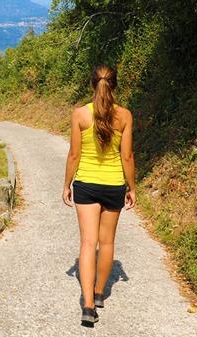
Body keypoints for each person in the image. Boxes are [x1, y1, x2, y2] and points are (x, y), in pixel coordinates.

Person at [62, 64, 136, 325]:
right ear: (114, 85)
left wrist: (67, 184)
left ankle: (88, 306)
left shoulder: (80, 114)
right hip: (114, 185)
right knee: (106, 243)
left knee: (87, 243)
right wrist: (132, 187)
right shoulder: (124, 116)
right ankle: (99, 293)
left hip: (86, 185)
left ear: (92, 84)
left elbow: (74, 155)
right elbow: (127, 156)